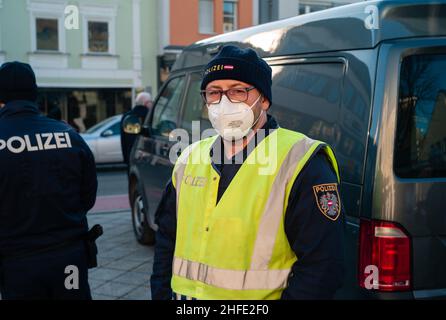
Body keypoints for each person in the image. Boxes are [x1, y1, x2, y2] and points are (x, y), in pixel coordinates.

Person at [150, 45, 345, 300]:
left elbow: (324, 267)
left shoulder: (301, 161)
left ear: (263, 99)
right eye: (214, 92)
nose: (224, 102)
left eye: (238, 91)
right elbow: (166, 238)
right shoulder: (189, 157)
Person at [0, 62, 98, 300]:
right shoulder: (69, 136)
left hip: (16, 262)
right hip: (69, 257)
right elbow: (88, 195)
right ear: (35, 93)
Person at [120, 92, 153, 165]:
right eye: (151, 102)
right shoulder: (150, 117)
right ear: (146, 103)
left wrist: (126, 159)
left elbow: (123, 141)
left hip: (131, 157)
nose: (152, 104)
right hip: (147, 159)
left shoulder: (126, 117)